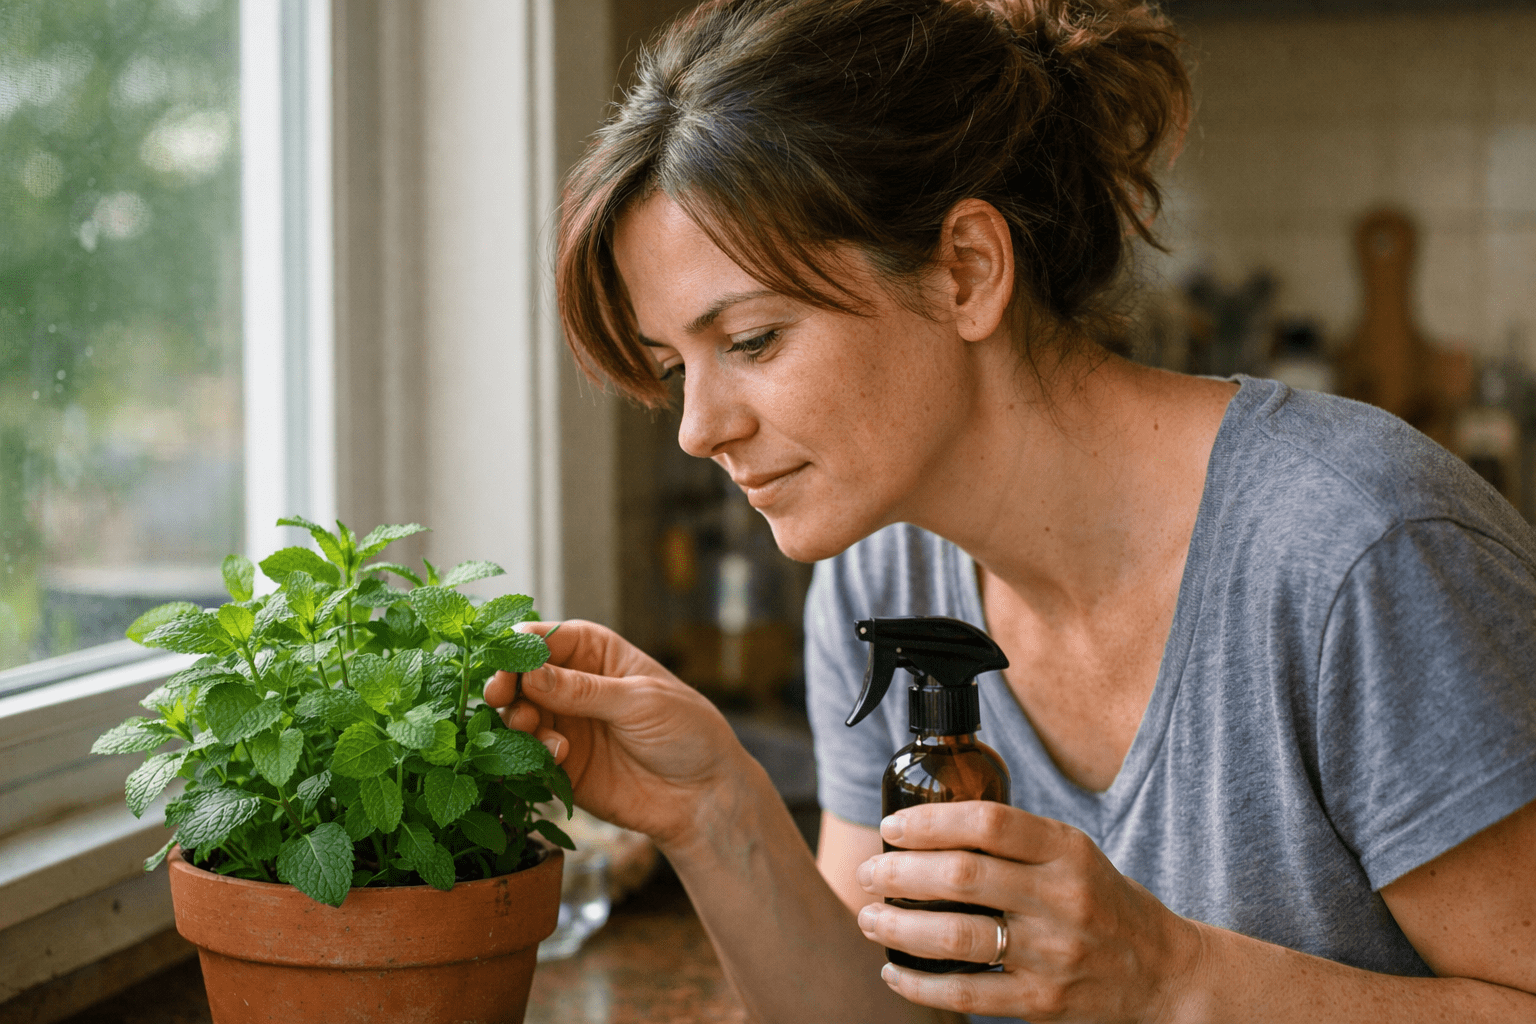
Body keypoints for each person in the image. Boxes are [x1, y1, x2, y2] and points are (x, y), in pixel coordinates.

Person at [485, 0, 1536, 1020]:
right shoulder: (880, 577)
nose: (697, 428)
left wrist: (1170, 978)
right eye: (677, 368)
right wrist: (713, 807)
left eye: (753, 341)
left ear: (968, 271)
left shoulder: (1358, 550)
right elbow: (896, 1011)